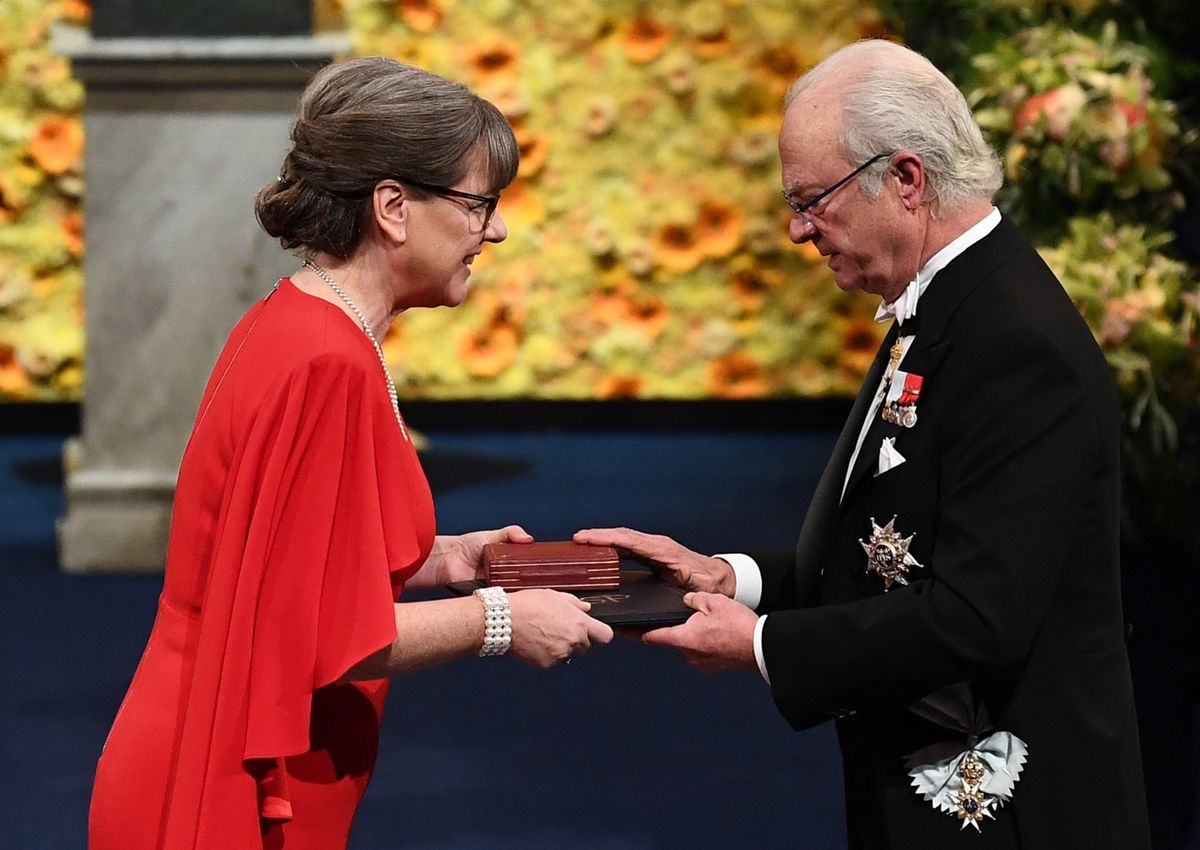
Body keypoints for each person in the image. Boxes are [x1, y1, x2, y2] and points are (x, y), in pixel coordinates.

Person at [577, 39, 1150, 849]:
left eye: (814, 199)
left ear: (907, 180)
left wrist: (764, 645)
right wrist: (726, 577)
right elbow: (894, 548)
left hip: (1013, 811)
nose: (797, 229)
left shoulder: (1016, 342)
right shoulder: (951, 300)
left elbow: (977, 616)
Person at [88, 57, 613, 850]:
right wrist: (500, 620)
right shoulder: (327, 362)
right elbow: (328, 641)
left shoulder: (301, 323)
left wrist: (445, 559)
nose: (496, 230)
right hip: (218, 779)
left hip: (214, 742)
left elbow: (288, 564)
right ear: (394, 208)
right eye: (480, 203)